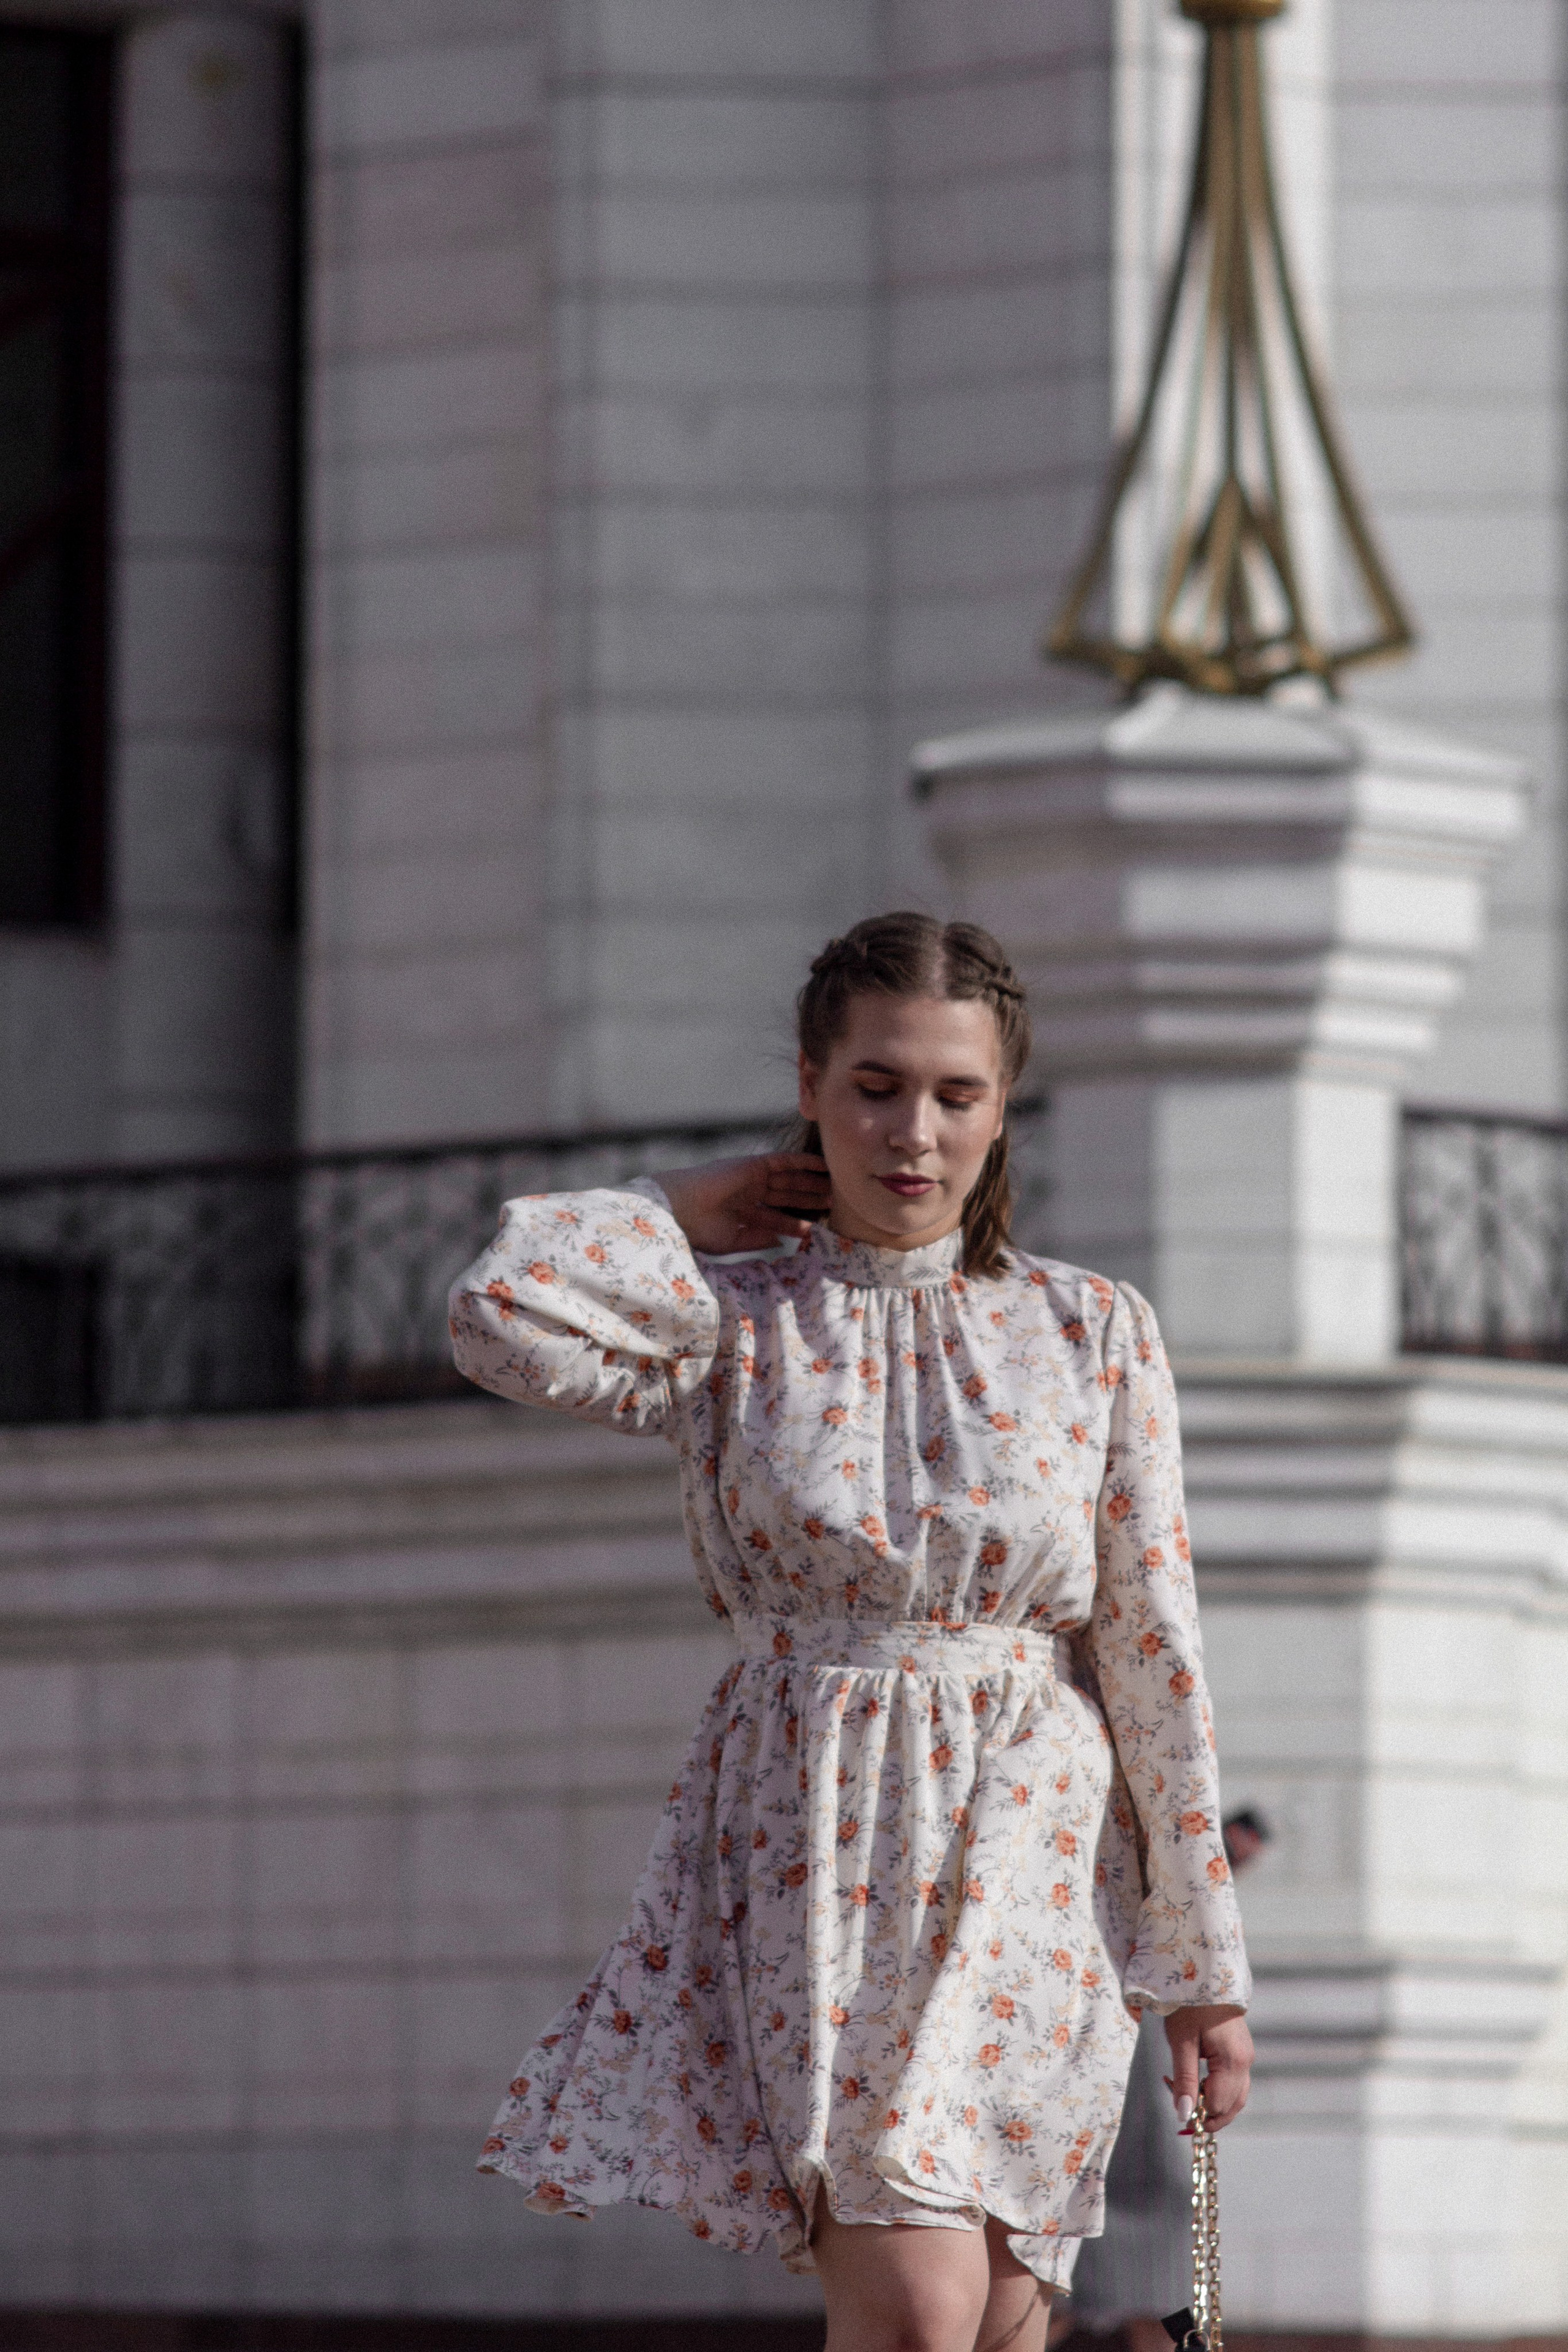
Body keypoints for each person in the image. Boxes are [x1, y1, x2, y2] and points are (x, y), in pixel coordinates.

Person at [449, 913, 1254, 2352]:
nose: (915, 1132)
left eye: (957, 1094)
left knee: (996, 2309)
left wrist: (1198, 1972)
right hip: (817, 1825)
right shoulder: (732, 1326)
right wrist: (684, 1205)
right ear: (812, 1087)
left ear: (1003, 1110)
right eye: (875, 1085)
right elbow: (498, 1310)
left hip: (1032, 1833)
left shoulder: (1090, 1330)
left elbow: (1151, 1648)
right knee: (916, 2299)